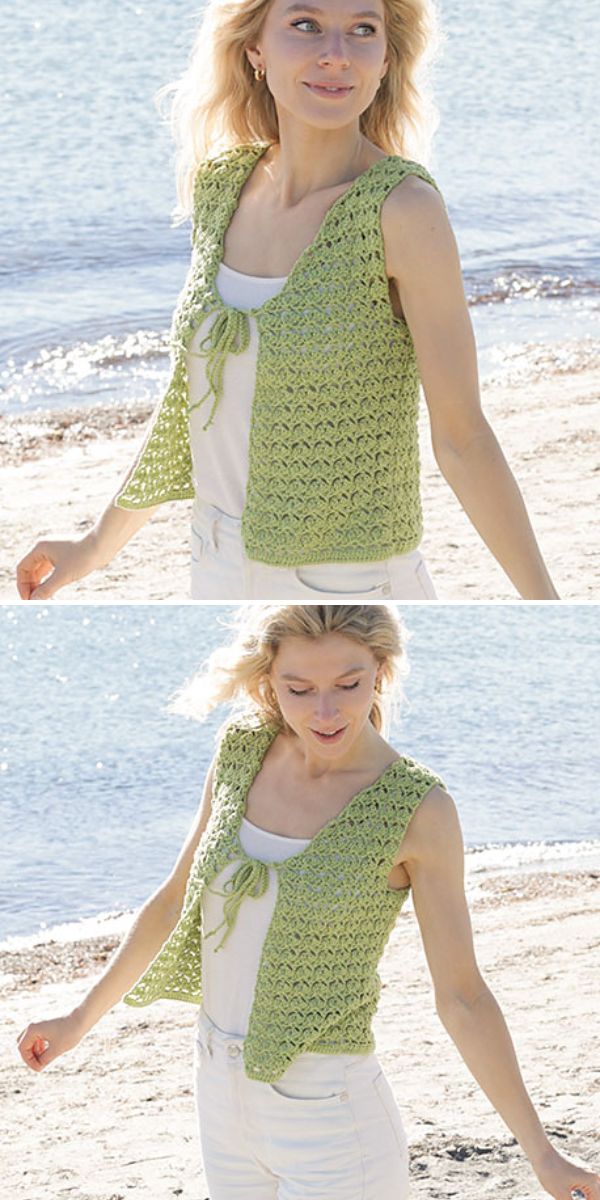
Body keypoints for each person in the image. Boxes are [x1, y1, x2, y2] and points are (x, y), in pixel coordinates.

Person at [17, 604, 597, 1199]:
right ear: (269, 680)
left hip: (331, 1116)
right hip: (219, 1093)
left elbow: (463, 995)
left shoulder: (417, 809)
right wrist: (76, 1020)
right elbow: (173, 902)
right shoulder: (243, 751)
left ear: (381, 671)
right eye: (300, 689)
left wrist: (542, 1153)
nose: (326, 712)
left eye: (349, 684)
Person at [16, 0, 558, 603]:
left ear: (384, 60)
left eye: (362, 30)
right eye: (305, 25)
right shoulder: (223, 186)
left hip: (353, 581)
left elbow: (463, 439)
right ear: (255, 51)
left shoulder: (401, 211)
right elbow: (192, 399)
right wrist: (96, 545)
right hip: (213, 564)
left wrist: (552, 613)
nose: (335, 53)